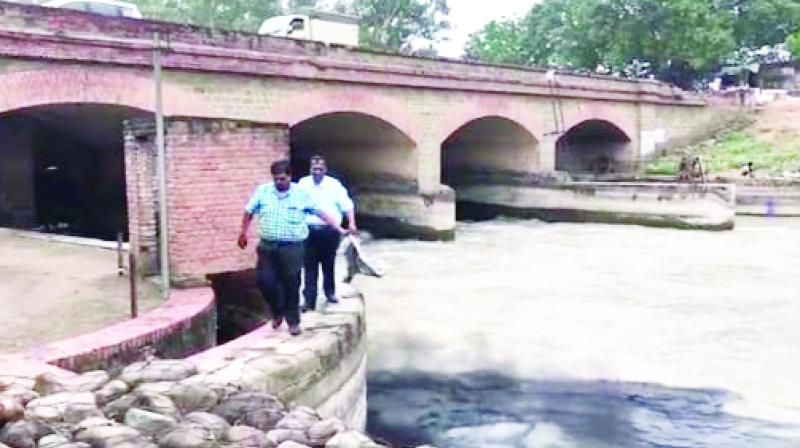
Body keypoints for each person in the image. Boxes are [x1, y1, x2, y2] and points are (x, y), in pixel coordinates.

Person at [238, 160, 347, 336]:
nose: (279, 183)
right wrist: (243, 232)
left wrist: (338, 227)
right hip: (268, 245)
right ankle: (276, 310)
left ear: (289, 177)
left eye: (282, 179)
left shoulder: (301, 194)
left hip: (292, 247)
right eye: (276, 179)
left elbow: (319, 211)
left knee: (291, 283)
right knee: (264, 281)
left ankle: (293, 321)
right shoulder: (263, 191)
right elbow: (249, 211)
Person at [298, 154, 357, 312]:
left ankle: (330, 293)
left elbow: (347, 205)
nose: (316, 172)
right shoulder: (303, 184)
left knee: (328, 263)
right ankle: (309, 300)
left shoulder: (334, 185)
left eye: (319, 169)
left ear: (325, 169)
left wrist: (351, 223)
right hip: (309, 231)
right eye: (314, 169)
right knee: (309, 266)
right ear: (310, 169)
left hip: (329, 231)